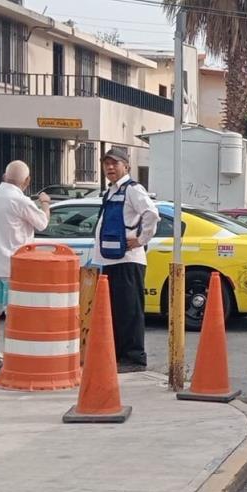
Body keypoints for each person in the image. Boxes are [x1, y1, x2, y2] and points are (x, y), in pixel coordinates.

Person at [0, 160, 50, 373]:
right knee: (15, 314)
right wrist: (44, 203)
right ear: (27, 181)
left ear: (4, 176)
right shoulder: (21, 201)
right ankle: (14, 357)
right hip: (16, 268)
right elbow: (42, 223)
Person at [91, 147, 159, 373]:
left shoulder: (133, 189)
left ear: (126, 166)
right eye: (106, 163)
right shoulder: (111, 191)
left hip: (128, 260)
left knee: (129, 311)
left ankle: (134, 358)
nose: (110, 167)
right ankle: (120, 356)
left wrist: (141, 239)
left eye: (115, 163)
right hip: (110, 260)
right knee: (116, 311)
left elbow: (151, 214)